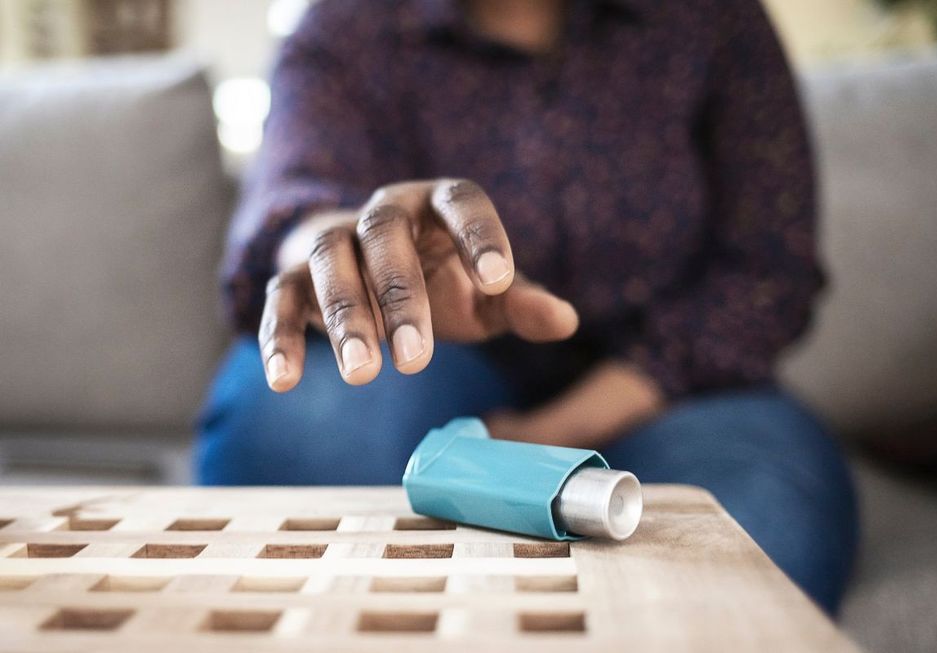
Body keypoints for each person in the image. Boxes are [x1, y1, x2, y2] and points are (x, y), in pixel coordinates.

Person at [198, 0, 858, 614]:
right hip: (419, 365)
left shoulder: (712, 19)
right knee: (302, 430)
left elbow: (768, 267)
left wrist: (549, 432)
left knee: (754, 528)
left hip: (675, 389)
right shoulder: (348, 25)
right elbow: (298, 196)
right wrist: (341, 243)